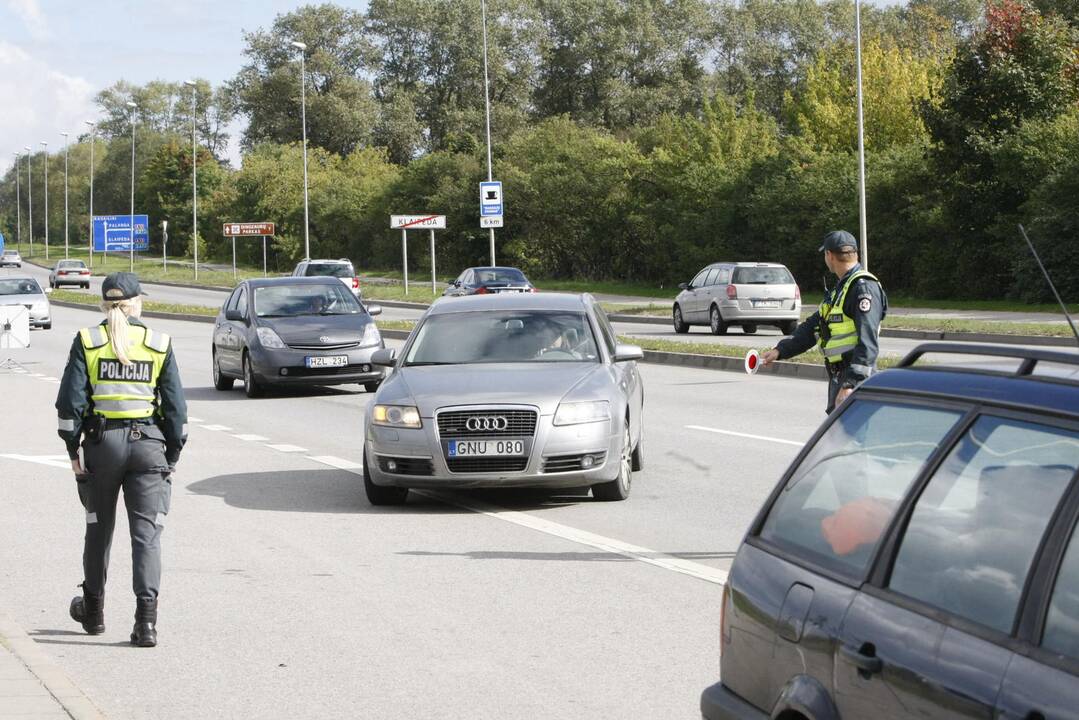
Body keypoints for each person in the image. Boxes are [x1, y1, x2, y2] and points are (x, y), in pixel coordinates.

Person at [55, 272, 187, 647]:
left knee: (98, 529)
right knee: (146, 537)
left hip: (102, 447)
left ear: (104, 305)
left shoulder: (87, 341)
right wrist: (172, 453)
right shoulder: (158, 343)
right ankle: (146, 624)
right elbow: (176, 409)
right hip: (149, 447)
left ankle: (93, 613)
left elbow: (70, 405)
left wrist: (73, 452)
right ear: (137, 303)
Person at [761, 230, 887, 413]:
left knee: (850, 439)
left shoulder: (863, 288)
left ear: (829, 255)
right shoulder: (841, 289)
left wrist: (851, 384)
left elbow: (867, 341)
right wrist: (779, 351)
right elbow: (812, 327)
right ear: (855, 254)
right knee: (840, 438)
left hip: (855, 378)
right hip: (840, 376)